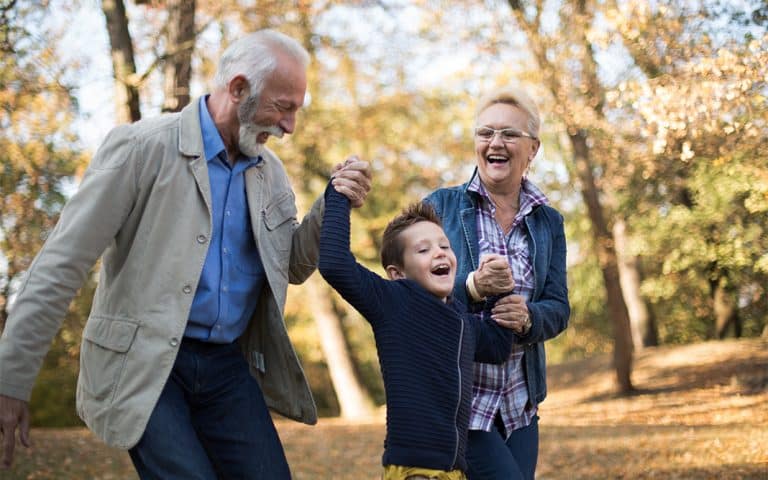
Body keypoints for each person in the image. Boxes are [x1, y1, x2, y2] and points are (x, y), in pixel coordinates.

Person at [0, 29, 372, 479]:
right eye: (283, 107)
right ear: (237, 89)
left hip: (226, 368)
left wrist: (330, 205)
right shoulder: (141, 148)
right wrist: (10, 382)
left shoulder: (269, 172)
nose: (290, 126)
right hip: (146, 363)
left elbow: (289, 266)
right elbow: (60, 266)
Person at [319, 171, 516, 480]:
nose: (439, 252)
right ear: (398, 273)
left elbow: (496, 347)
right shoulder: (394, 302)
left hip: (454, 470)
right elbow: (334, 263)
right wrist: (339, 197)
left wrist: (499, 292)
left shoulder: (461, 319)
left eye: (444, 246)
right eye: (423, 250)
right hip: (415, 470)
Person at [424, 85, 570, 480]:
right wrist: (471, 287)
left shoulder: (548, 222)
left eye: (509, 134)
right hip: (461, 403)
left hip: (520, 407)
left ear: (533, 149)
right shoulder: (439, 207)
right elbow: (410, 298)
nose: (496, 142)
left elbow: (558, 307)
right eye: (486, 132)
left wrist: (528, 318)